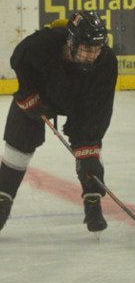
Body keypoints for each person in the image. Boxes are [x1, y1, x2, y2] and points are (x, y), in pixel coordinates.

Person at [0, 12, 118, 235]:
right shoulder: (42, 44)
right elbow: (19, 61)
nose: (92, 55)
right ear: (71, 42)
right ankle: (3, 196)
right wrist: (28, 94)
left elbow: (97, 111)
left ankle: (92, 199)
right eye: (86, 48)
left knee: (89, 143)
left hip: (80, 103)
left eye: (96, 48)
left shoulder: (107, 62)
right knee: (20, 140)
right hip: (41, 94)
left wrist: (87, 149)